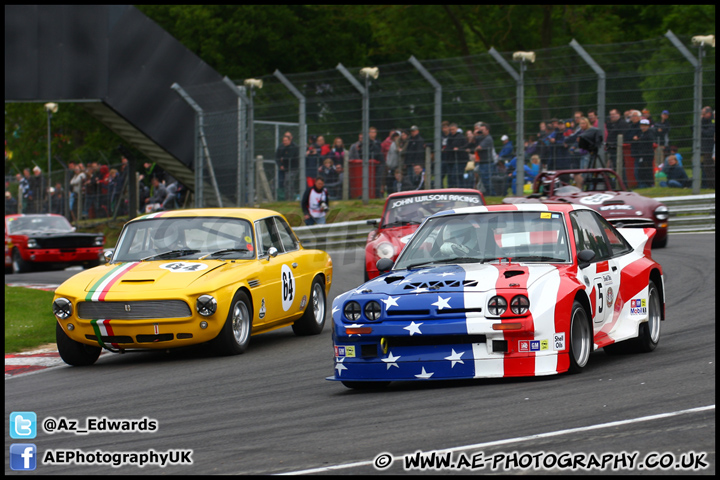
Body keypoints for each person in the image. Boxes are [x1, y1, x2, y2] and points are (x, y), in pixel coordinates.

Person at [631, 119, 656, 188]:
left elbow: (647, 142)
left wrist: (639, 139)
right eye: (642, 125)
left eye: (645, 125)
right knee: (641, 170)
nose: (643, 127)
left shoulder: (649, 133)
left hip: (647, 155)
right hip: (641, 155)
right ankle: (643, 184)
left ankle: (649, 184)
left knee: (647, 170)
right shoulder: (640, 133)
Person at [275, 132, 300, 200]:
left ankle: (290, 198)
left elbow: (290, 157)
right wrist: (280, 165)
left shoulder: (294, 147)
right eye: (283, 141)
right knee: (284, 183)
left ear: (290, 140)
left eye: (286, 141)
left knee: (289, 181)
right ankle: (286, 198)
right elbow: (277, 157)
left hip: (293, 168)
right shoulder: (281, 147)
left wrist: (283, 158)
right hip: (284, 168)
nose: (284, 142)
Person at [473, 122, 495, 195]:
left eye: (483, 130)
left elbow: (479, 148)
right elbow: (473, 141)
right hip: (482, 162)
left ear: (487, 130)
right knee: (483, 179)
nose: (481, 131)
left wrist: (474, 148)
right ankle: (488, 193)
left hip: (487, 162)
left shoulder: (488, 138)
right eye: (480, 129)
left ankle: (492, 194)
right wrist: (475, 134)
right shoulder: (482, 138)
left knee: (487, 179)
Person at [700, 106, 714, 189]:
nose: (702, 115)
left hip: (710, 148)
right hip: (704, 147)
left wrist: (699, 129)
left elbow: (709, 133)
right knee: (704, 166)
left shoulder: (712, 121)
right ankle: (706, 185)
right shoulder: (704, 121)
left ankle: (712, 185)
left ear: (709, 113)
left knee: (708, 167)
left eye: (703, 114)